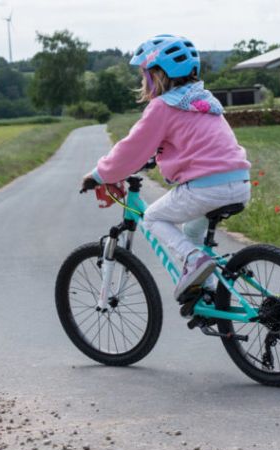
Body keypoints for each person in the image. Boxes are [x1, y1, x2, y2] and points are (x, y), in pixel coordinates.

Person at [81, 34, 251, 301]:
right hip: (239, 183)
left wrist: (99, 175)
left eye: (143, 74)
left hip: (206, 189)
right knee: (193, 231)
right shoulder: (203, 101)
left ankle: (194, 259)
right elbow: (194, 144)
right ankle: (204, 291)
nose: (142, 81)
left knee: (153, 218)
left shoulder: (162, 107)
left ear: (156, 75)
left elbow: (131, 149)